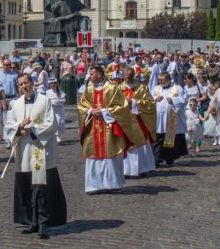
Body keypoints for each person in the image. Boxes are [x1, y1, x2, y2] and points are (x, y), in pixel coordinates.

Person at [5, 74, 67, 239]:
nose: (23, 86)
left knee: (41, 187)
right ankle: (30, 220)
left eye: (26, 83)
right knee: (27, 186)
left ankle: (43, 222)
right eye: (20, 84)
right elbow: (9, 125)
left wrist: (31, 129)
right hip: (24, 151)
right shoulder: (16, 104)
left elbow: (51, 123)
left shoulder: (44, 100)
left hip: (41, 150)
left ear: (32, 83)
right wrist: (19, 127)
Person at [78, 65, 135, 194]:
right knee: (93, 155)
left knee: (110, 155)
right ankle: (93, 186)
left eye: (91, 74)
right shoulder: (88, 90)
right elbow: (81, 106)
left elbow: (122, 107)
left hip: (108, 127)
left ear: (99, 75)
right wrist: (90, 111)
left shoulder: (112, 88)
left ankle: (113, 184)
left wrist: (104, 112)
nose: (89, 76)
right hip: (93, 127)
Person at [120, 67, 157, 177]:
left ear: (133, 76)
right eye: (126, 78)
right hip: (125, 119)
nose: (127, 80)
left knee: (141, 143)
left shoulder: (141, 87)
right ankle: (125, 170)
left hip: (138, 119)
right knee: (125, 142)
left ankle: (144, 168)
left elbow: (150, 103)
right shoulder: (118, 88)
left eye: (130, 77)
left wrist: (134, 103)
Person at [152, 71, 189, 167]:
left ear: (168, 79)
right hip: (159, 119)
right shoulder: (156, 88)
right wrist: (155, 99)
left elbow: (184, 100)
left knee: (170, 139)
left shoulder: (177, 88)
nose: (160, 81)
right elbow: (149, 99)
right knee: (159, 138)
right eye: (159, 80)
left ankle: (169, 159)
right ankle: (157, 159)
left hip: (171, 118)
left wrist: (173, 100)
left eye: (162, 80)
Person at [45, 78, 66, 143]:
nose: (53, 85)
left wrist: (59, 101)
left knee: (61, 122)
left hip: (59, 109)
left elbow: (63, 100)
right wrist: (53, 102)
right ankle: (57, 136)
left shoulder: (60, 91)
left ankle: (58, 134)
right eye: (51, 84)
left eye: (54, 84)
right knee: (56, 122)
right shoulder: (48, 92)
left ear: (56, 84)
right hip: (53, 109)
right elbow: (47, 100)